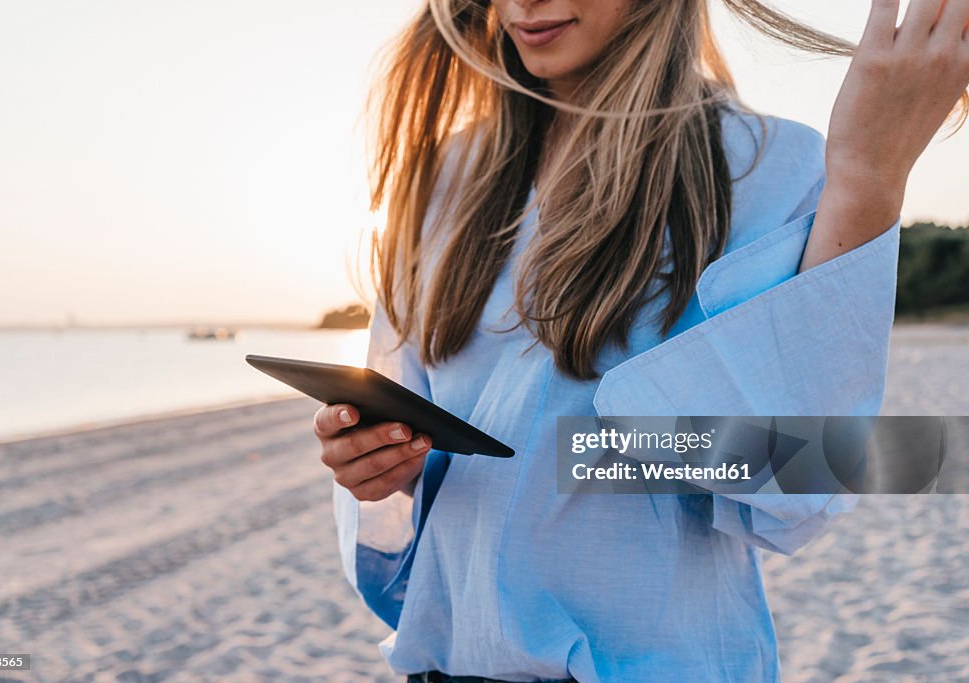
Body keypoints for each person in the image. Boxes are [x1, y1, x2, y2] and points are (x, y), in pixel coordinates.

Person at [314, 1, 969, 681]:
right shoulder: (442, 182)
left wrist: (868, 179)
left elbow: (813, 472)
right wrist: (379, 462)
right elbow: (418, 484)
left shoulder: (761, 169)